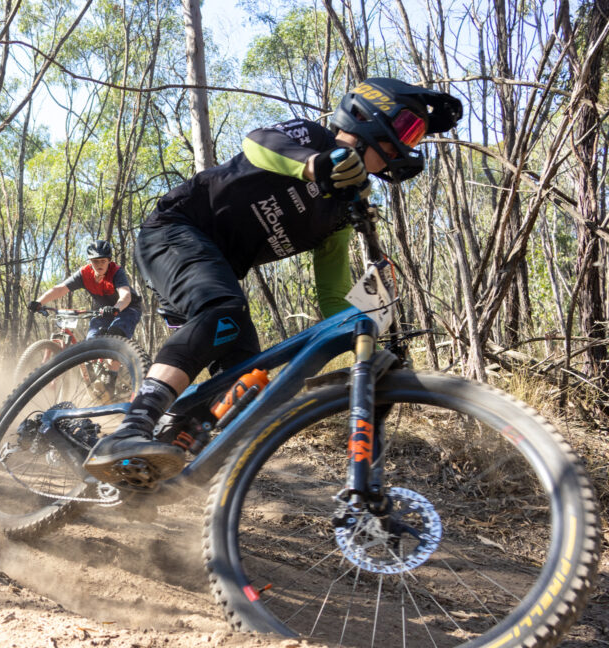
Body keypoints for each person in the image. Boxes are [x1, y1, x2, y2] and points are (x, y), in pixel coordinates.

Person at [83, 77, 463, 488]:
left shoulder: (339, 214)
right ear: (372, 116)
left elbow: (333, 294)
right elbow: (258, 144)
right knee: (222, 311)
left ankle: (150, 471)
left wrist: (367, 336)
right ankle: (130, 428)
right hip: (174, 231)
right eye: (408, 130)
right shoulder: (310, 136)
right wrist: (315, 163)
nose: (407, 145)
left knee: (248, 385)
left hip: (216, 276)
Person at [27, 240, 143, 341]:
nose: (99, 264)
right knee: (91, 343)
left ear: (109, 260)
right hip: (103, 311)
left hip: (128, 308)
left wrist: (116, 308)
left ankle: (115, 365)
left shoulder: (116, 272)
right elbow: (60, 289)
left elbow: (126, 295)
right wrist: (39, 302)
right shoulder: (84, 274)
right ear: (90, 261)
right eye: (95, 261)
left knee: (114, 336)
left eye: (103, 261)